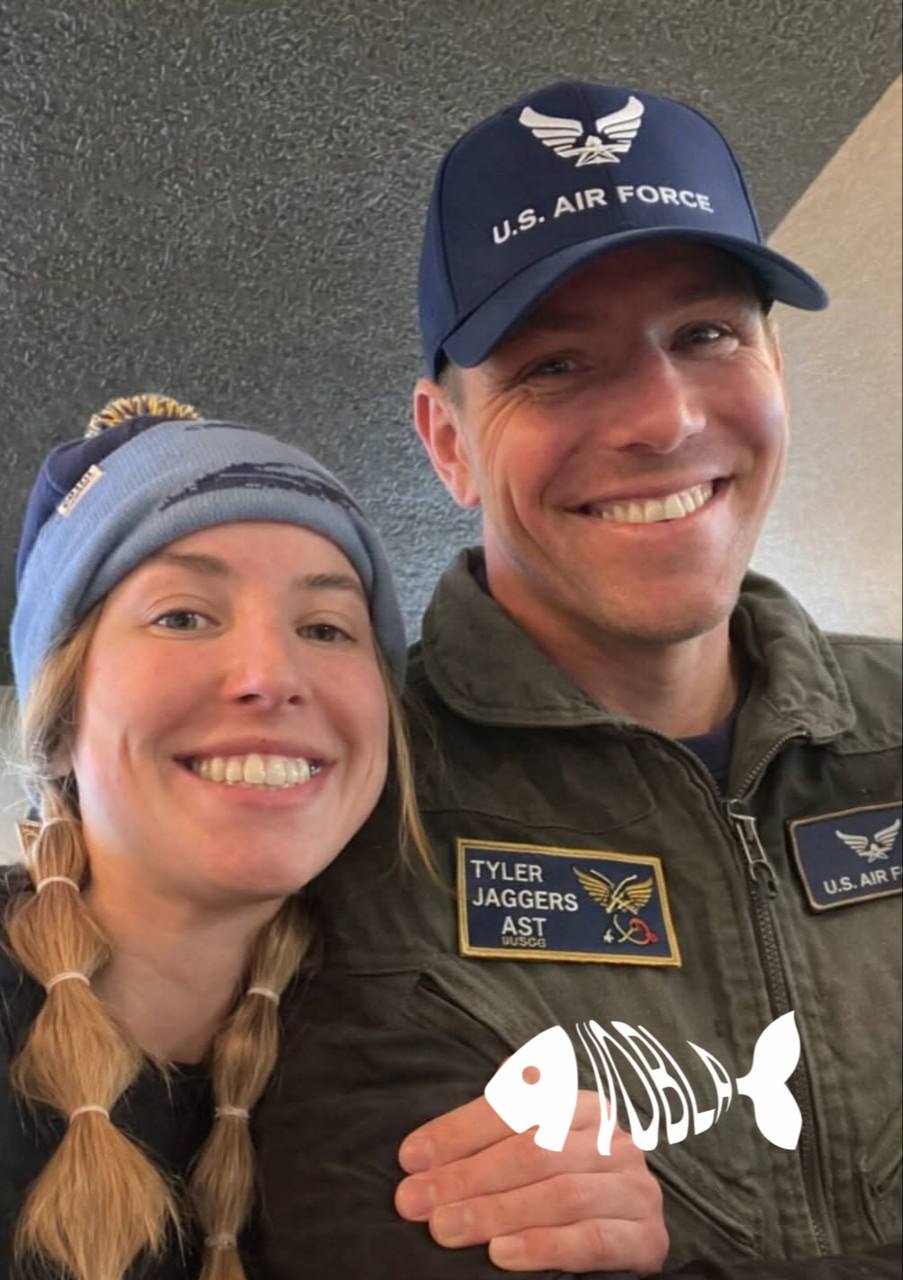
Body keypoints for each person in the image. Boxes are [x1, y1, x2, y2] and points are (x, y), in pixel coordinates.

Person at [253, 81, 903, 1277]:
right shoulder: (341, 804)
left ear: (775, 360)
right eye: (556, 364)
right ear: (447, 441)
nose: (663, 418)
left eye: (706, 334)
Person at [1, 392, 663, 1280]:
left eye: (326, 628)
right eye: (183, 616)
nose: (271, 675)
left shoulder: (426, 1042)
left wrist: (596, 1231)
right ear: (58, 722)